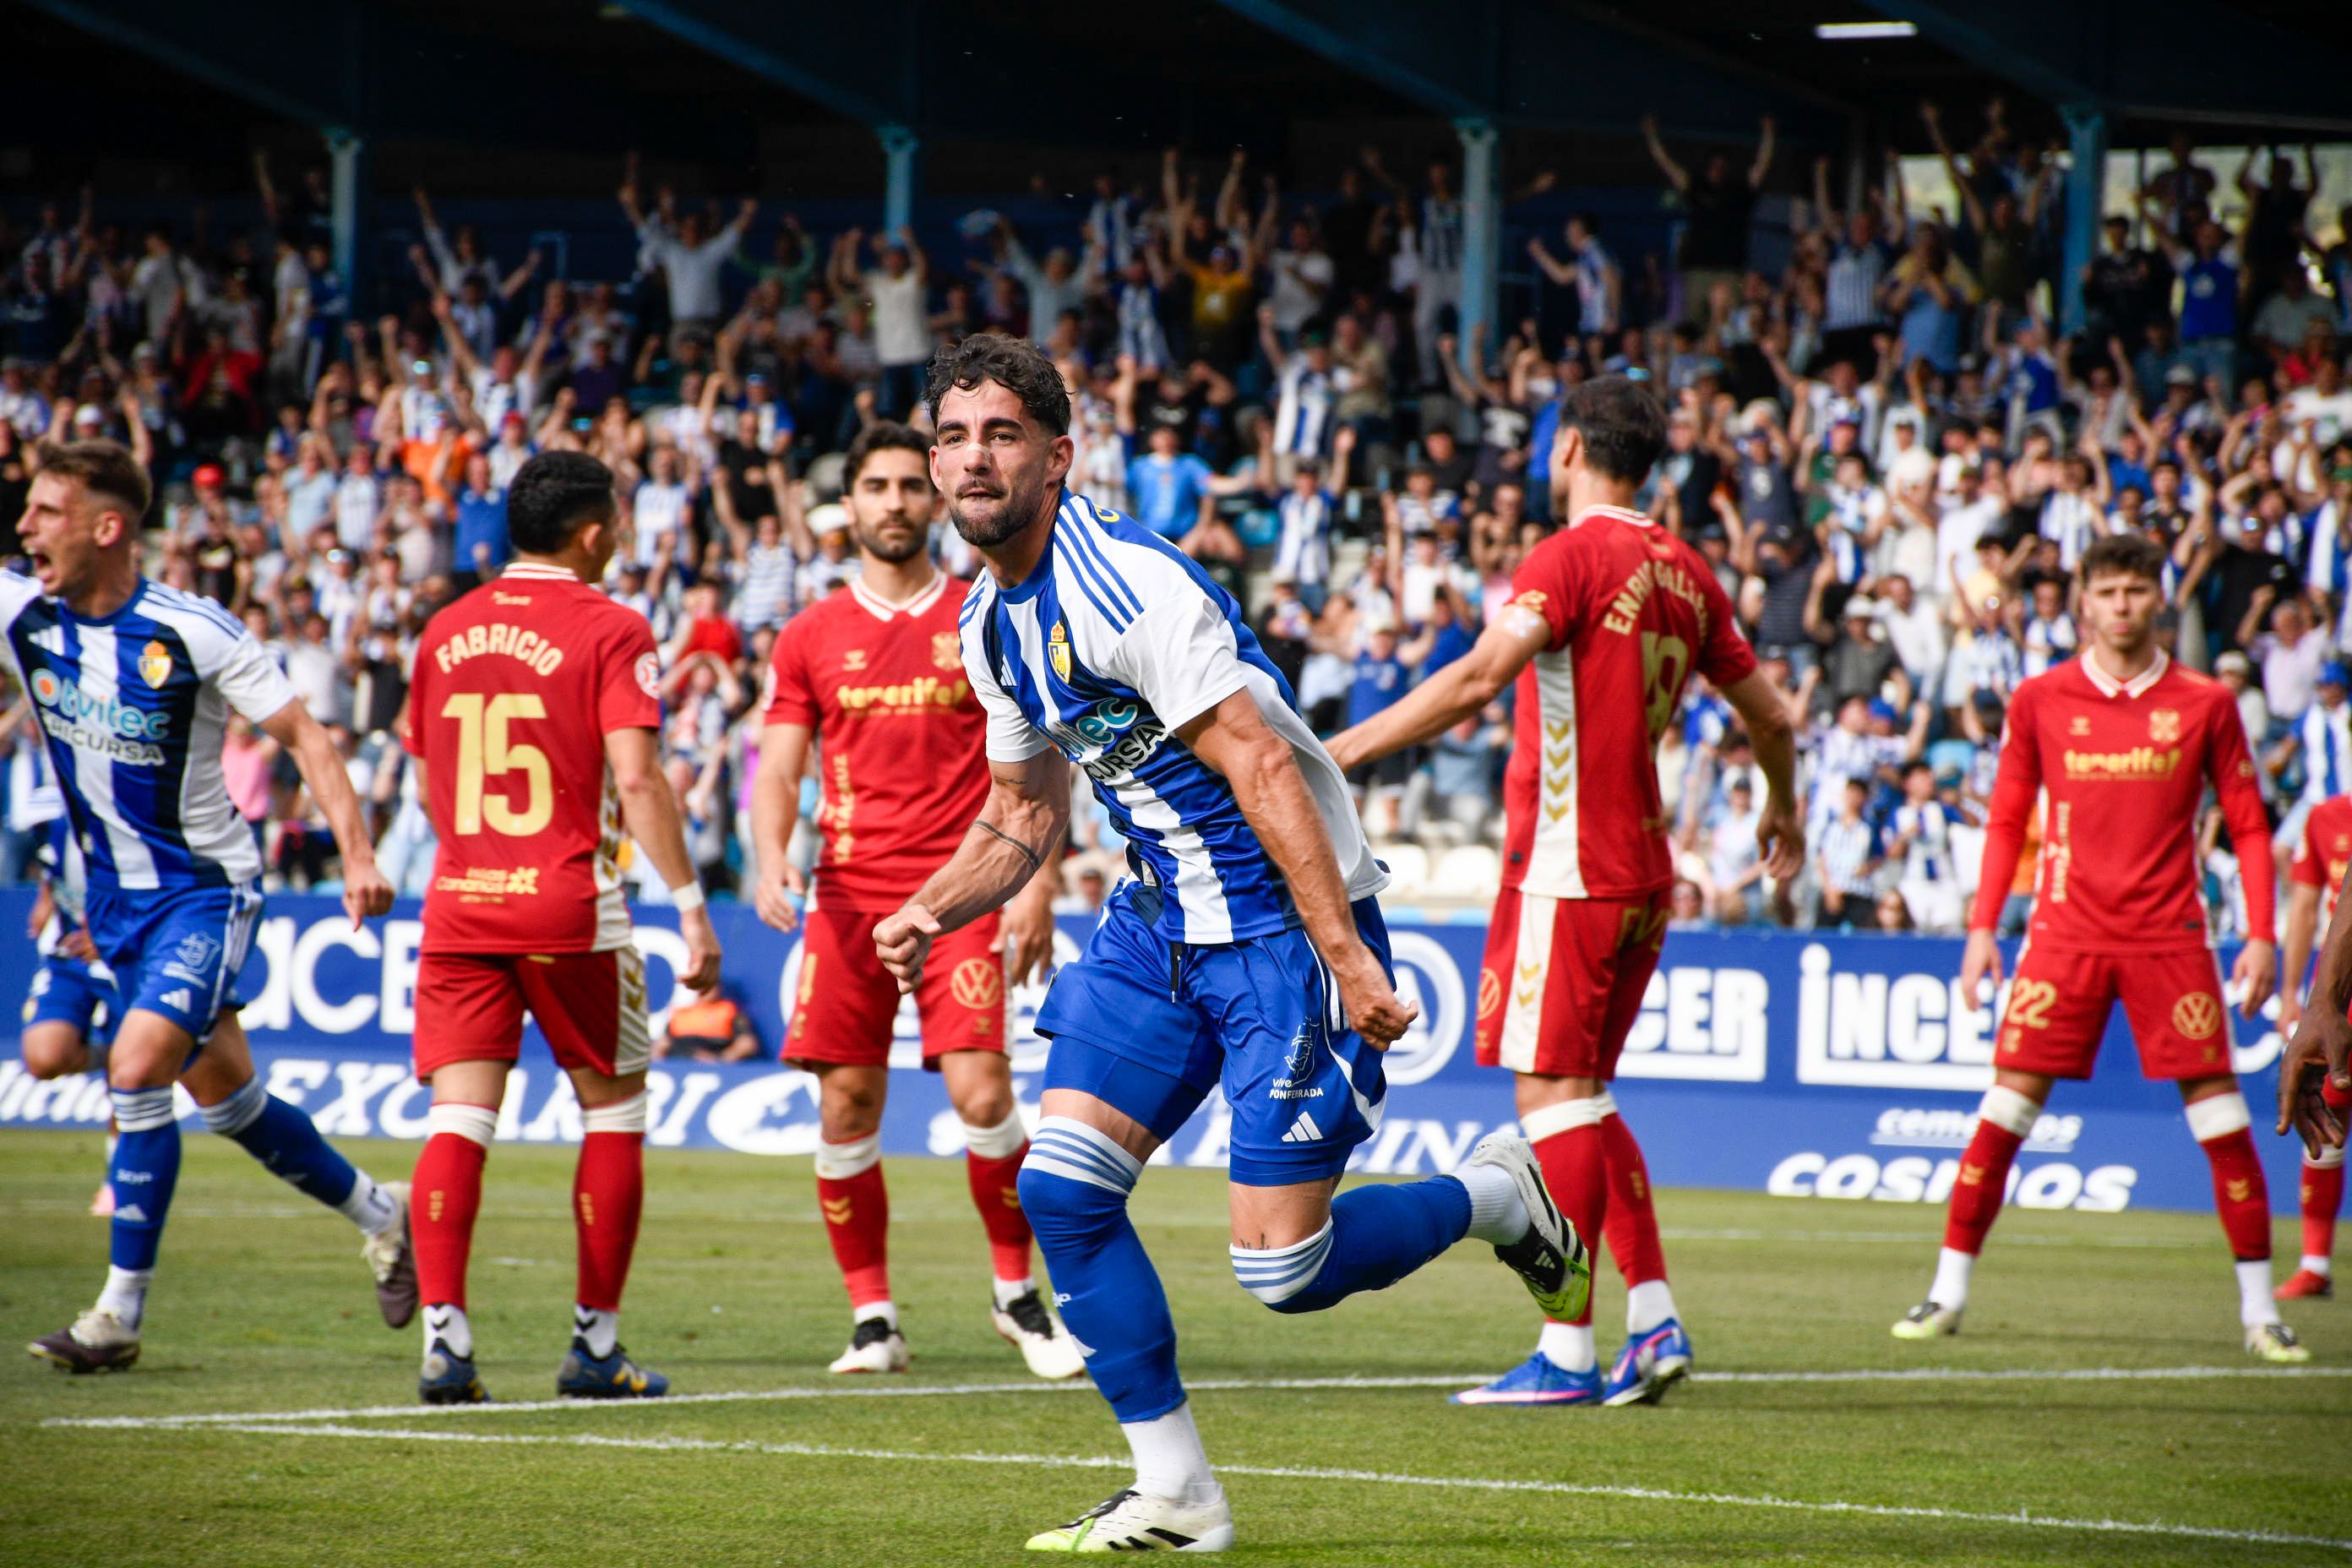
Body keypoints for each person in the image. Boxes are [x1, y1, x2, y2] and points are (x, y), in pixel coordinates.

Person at [882, 335, 1589, 1552]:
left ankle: (1494, 1197)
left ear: (1059, 457)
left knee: (1283, 1273)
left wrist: (1350, 957)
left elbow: (1262, 763)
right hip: (1159, 923)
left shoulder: (1129, 584)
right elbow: (1025, 813)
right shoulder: (990, 623)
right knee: (1060, 1188)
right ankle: (1177, 1495)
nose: (969, 459)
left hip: (1283, 929)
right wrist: (930, 907)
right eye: (950, 437)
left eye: (999, 434)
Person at [1326, 374, 1803, 1407]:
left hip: (1569, 869)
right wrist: (1784, 809)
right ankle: (1655, 1316)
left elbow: (1473, 679)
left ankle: (1567, 1352)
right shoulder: (1688, 569)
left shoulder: (1571, 556)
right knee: (1583, 1096)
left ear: (1570, 449)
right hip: (1645, 873)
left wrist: (1345, 748)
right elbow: (1772, 716)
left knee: (1551, 1100)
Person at [7, 440, 409, 1374]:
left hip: (203, 890)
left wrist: (357, 854)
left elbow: (305, 735)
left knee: (138, 1061)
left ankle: (116, 1314)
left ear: (107, 528)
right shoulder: (23, 612)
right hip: (108, 906)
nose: (24, 526)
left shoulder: (194, 630)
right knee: (227, 1097)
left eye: (45, 511)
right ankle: (385, 1217)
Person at [1892, 533, 2304, 1363]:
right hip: (2063, 936)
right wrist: (1981, 930)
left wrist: (2262, 934)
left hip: (2169, 937)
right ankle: (1947, 1290)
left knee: (2224, 1121)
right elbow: (2007, 817)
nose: (2121, 605)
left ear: (2159, 599)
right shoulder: (2041, 698)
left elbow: (2251, 824)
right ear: (2082, 600)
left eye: (2134, 590)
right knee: (2002, 1114)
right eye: (2106, 590)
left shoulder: (2204, 702)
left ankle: (2261, 1310)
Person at [749, 422, 1079, 1380]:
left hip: (963, 893)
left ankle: (1017, 1295)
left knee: (984, 1090)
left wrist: (1038, 881)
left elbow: (1041, 764)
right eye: (875, 486)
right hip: (848, 900)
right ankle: (874, 1319)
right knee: (847, 1102)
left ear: (934, 495)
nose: (893, 501)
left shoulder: (984, 610)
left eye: (907, 484)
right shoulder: (811, 634)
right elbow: (779, 765)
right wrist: (772, 856)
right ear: (848, 504)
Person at [400, 450, 723, 1404]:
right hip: (570, 903)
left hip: (461, 901)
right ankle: (595, 1345)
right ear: (592, 531)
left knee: (459, 1118)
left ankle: (446, 1343)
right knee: (614, 1108)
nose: (620, 537)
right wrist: (690, 903)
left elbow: (427, 778)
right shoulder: (613, 625)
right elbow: (638, 777)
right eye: (616, 522)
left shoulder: (443, 629)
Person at [2274, 791, 2352, 1299]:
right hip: (2344, 987)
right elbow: (2305, 910)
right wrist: (2295, 997)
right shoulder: (2326, 817)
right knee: (2331, 1106)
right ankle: (2314, 1261)